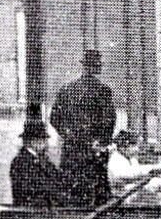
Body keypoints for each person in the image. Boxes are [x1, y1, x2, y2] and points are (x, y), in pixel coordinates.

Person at [49, 49, 117, 205]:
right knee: (96, 190)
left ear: (84, 66)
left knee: (71, 186)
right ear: (95, 67)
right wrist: (100, 142)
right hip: (93, 150)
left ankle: (70, 214)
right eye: (98, 65)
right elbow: (109, 121)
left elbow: (54, 118)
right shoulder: (103, 90)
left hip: (72, 148)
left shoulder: (66, 89)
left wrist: (68, 135)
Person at [10, 109, 68, 209]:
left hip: (44, 210)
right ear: (33, 141)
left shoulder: (43, 160)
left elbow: (58, 177)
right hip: (29, 212)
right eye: (42, 140)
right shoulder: (19, 162)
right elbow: (28, 189)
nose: (45, 144)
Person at [105, 130, 161, 205]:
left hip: (133, 197)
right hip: (121, 200)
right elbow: (130, 174)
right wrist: (152, 168)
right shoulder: (115, 160)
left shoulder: (132, 160)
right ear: (124, 146)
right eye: (134, 146)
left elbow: (142, 180)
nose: (137, 149)